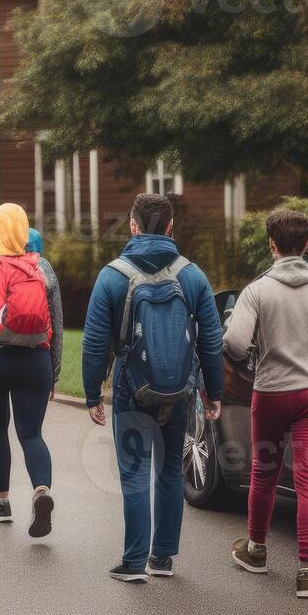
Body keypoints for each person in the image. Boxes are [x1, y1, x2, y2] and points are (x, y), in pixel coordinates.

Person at [82, 193, 224, 584]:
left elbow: (95, 341)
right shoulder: (192, 275)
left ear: (133, 225)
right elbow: (211, 339)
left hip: (132, 389)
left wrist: (93, 393)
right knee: (170, 472)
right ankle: (162, 558)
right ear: (170, 227)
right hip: (179, 391)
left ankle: (132, 562)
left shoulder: (112, 275)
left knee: (134, 472)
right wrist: (214, 391)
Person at [223, 209, 308, 598]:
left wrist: (249, 350)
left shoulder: (256, 291)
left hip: (270, 394)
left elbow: (234, 344)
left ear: (272, 246)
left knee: (264, 473)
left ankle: (256, 550)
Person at [0, 203, 64, 537]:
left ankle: (2, 503)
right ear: (23, 230)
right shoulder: (43, 268)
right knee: (32, 433)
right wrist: (54, 372)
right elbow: (57, 326)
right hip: (35, 360)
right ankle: (42, 491)